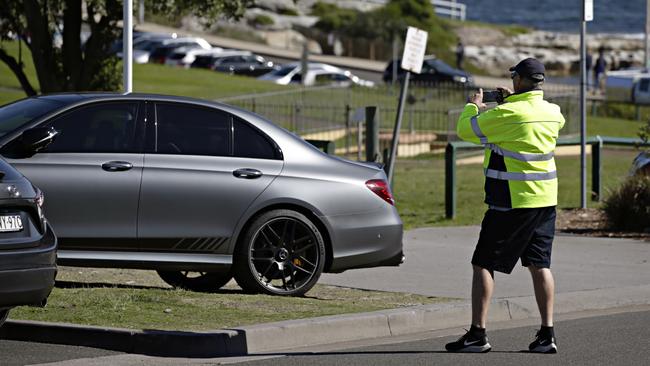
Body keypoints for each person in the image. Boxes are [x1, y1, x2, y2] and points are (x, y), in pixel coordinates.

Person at [446, 58, 565, 354]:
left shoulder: (509, 114)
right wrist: (511, 101)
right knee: (540, 265)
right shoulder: (553, 113)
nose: (512, 80)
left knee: (483, 263)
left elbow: (466, 130)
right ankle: (547, 334)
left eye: (514, 76)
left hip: (511, 200)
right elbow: (527, 120)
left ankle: (477, 334)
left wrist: (474, 105)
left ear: (521, 80)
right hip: (545, 200)